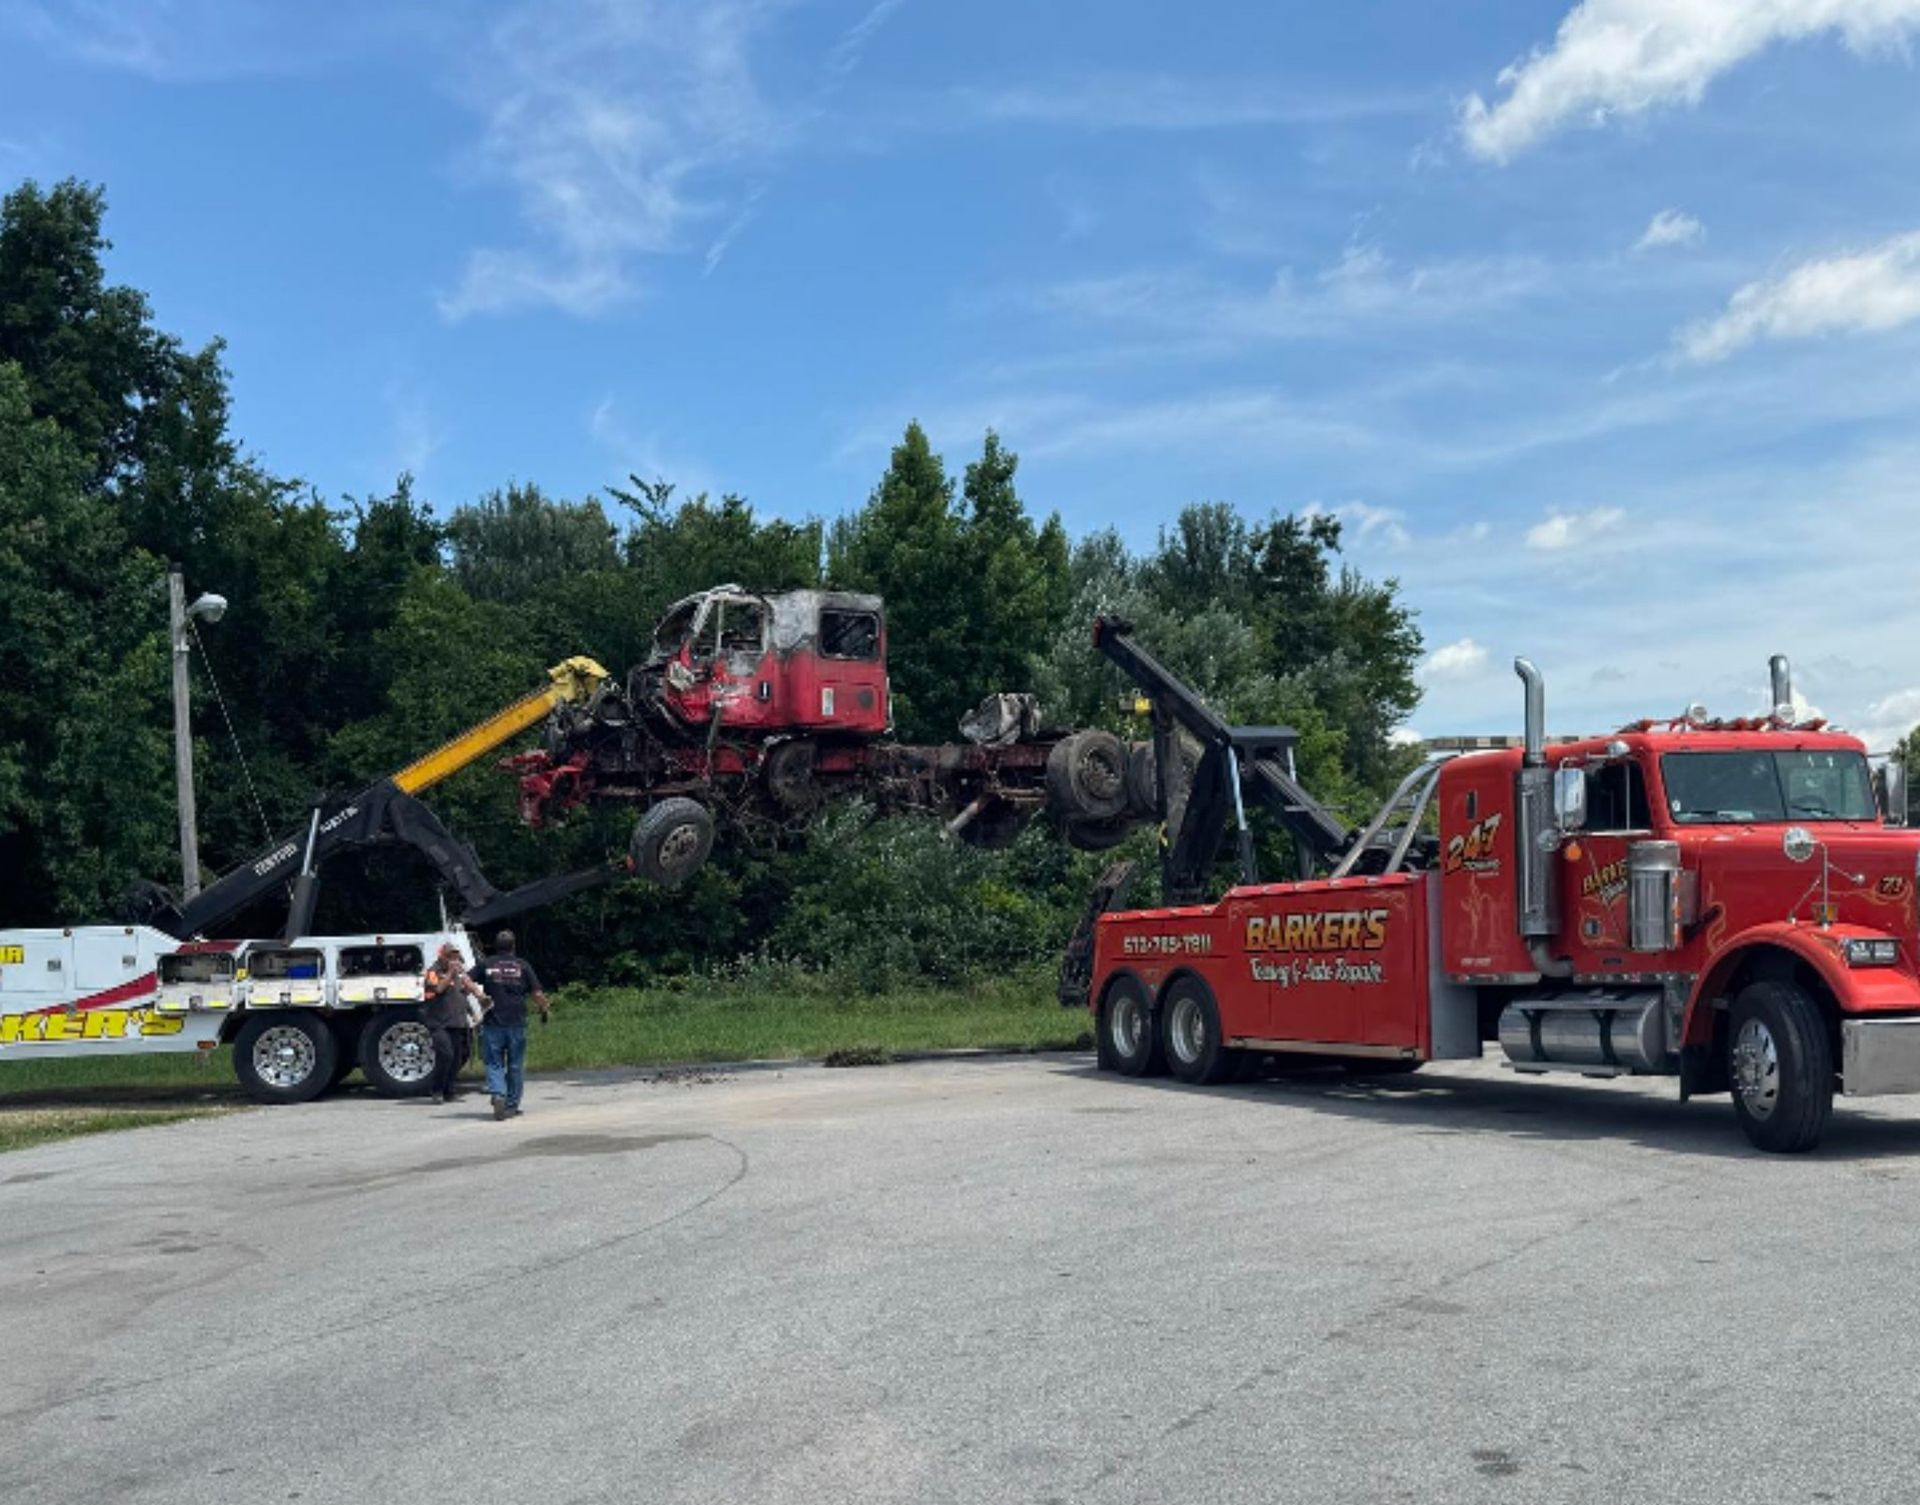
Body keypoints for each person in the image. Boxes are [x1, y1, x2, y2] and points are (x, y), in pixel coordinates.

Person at [469, 929, 550, 1121]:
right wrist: (544, 1009)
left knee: (494, 1063)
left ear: (496, 947)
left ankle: (498, 1094)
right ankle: (511, 1106)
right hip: (516, 1023)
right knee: (515, 1065)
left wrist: (479, 995)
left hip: (492, 1022)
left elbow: (465, 979)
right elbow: (537, 994)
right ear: (514, 946)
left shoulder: (487, 964)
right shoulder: (522, 966)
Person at [422, 941, 483, 1105]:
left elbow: (462, 996)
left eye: (456, 957)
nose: (454, 961)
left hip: (457, 1022)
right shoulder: (433, 972)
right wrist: (450, 973)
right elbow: (438, 989)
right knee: (445, 1054)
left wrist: (473, 1013)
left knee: (457, 1058)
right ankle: (436, 1090)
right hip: (439, 1022)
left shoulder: (459, 976)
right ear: (442, 956)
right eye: (451, 957)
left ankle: (449, 1090)